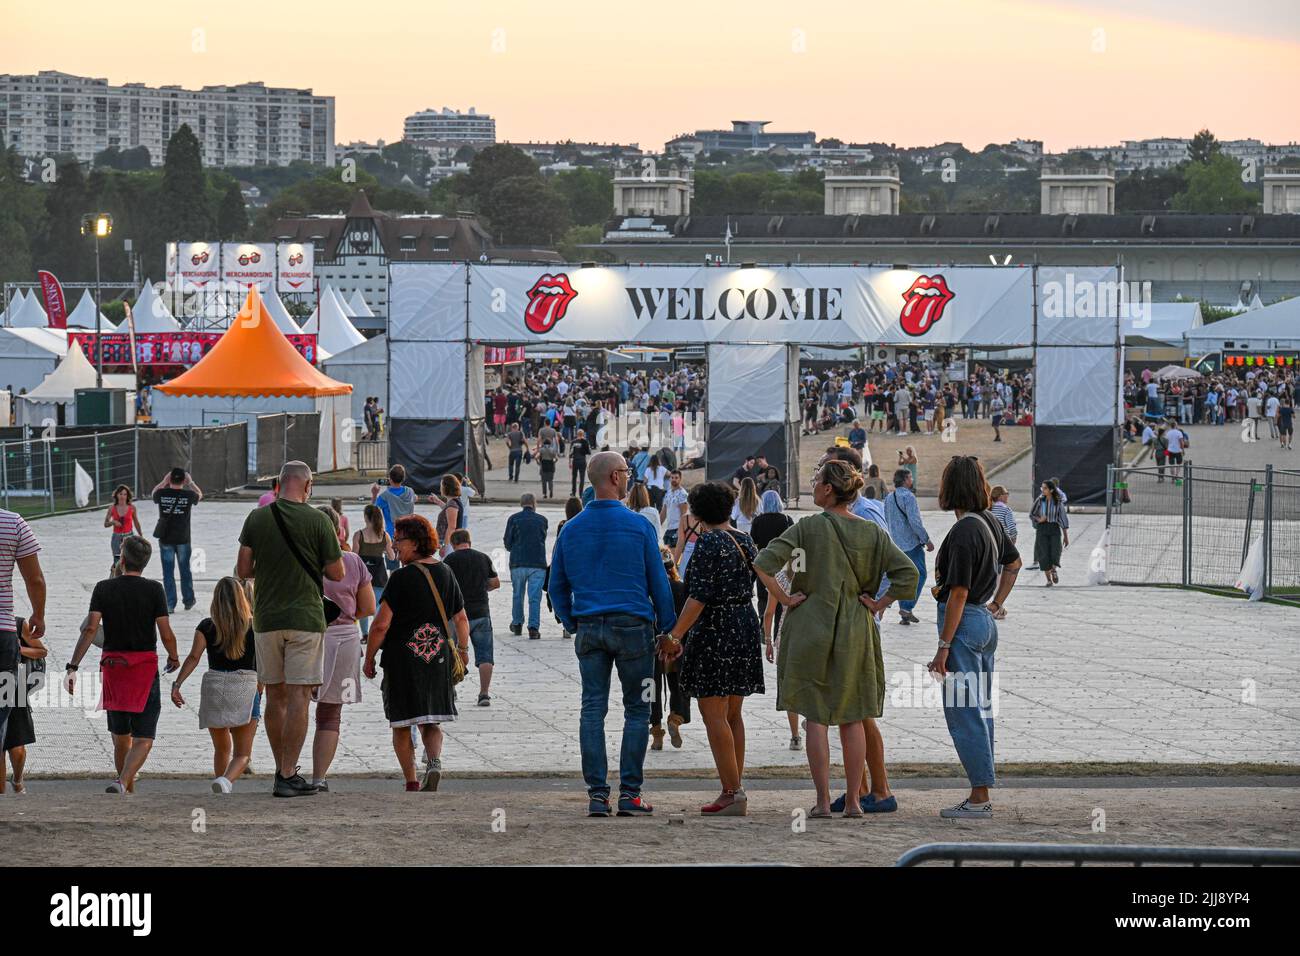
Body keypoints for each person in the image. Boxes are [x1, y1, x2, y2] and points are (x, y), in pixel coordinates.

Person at [753, 459, 919, 817]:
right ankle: (856, 802)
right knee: (854, 715)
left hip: (811, 625)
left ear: (828, 489)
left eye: (816, 481)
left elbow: (764, 563)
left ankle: (822, 801)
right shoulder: (873, 533)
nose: (813, 485)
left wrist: (783, 599)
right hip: (856, 628)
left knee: (816, 716)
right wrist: (878, 603)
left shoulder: (808, 527)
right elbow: (909, 574)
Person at [549, 451, 677, 818]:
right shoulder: (639, 526)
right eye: (627, 471)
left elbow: (555, 585)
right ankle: (630, 794)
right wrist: (667, 630)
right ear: (616, 477)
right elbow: (659, 584)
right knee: (638, 707)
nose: (630, 477)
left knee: (592, 708)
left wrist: (572, 622)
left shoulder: (571, 528)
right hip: (634, 628)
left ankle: (597, 794)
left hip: (590, 628)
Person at [236, 461, 345, 798]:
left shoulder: (257, 518)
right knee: (300, 697)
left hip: (267, 619)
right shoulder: (319, 520)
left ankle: (280, 771)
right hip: (306, 620)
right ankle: (287, 773)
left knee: (275, 696)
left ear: (279, 484)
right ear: (308, 485)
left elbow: (243, 569)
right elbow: (337, 573)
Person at [659, 482, 763, 816]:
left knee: (712, 713)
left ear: (698, 512)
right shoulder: (744, 540)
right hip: (744, 624)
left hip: (716, 628)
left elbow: (697, 597)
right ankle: (736, 785)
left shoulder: (707, 542)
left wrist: (674, 636)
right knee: (734, 713)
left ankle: (732, 792)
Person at [930, 455, 1022, 819]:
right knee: (981, 709)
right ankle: (981, 789)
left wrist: (942, 647)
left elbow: (958, 593)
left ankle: (980, 796)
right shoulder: (989, 522)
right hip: (984, 622)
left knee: (964, 711)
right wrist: (997, 601)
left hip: (964, 624)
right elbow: (1013, 564)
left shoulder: (965, 530)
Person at [363, 514, 470, 792]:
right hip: (437, 658)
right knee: (430, 718)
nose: (395, 546)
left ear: (415, 542)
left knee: (401, 722)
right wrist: (463, 650)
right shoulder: (446, 572)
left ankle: (411, 780)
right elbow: (461, 619)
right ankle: (433, 762)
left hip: (402, 661)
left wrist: (369, 657)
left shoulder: (400, 578)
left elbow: (380, 625)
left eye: (399, 540)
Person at [65, 536, 180, 794]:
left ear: (122, 558)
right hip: (143, 669)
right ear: (146, 563)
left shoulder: (103, 588)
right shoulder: (154, 590)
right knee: (144, 737)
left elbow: (90, 628)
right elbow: (166, 632)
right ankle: (123, 782)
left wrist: (73, 666)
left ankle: (125, 786)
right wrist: (174, 656)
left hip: (114, 668)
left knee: (120, 737)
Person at [170, 577, 260, 793]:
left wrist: (177, 684)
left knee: (221, 749)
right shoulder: (255, 626)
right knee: (242, 754)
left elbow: (193, 657)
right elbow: (266, 662)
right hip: (246, 686)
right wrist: (264, 687)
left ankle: (220, 783)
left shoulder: (206, 626)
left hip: (215, 687)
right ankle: (226, 782)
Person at [311, 505, 375, 791]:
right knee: (330, 714)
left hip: (305, 636)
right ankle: (319, 777)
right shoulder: (352, 561)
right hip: (345, 637)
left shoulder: (300, 560)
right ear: (338, 529)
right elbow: (369, 608)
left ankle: (285, 771)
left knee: (293, 707)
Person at [443, 528, 500, 706]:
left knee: (452, 653)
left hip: (456, 616)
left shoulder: (449, 561)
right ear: (469, 541)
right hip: (481, 613)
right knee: (485, 655)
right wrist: (483, 588)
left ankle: (451, 690)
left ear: (453, 544)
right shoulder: (483, 557)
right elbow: (495, 583)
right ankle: (484, 694)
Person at [650, 547, 691, 750]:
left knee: (651, 689)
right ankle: (675, 718)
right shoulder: (681, 588)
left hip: (653, 647)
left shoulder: (647, 590)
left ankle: (656, 733)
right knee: (679, 686)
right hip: (677, 647)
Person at [0, 615, 45, 794]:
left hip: (15, 689)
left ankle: (17, 779)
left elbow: (41, 651)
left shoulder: (18, 624)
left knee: (17, 747)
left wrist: (17, 650)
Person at [884, 467, 933, 626]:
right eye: (910, 477)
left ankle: (905, 609)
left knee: (904, 575)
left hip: (896, 543)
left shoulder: (889, 497)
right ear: (905, 480)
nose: (912, 480)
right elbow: (915, 521)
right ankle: (906, 607)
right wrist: (926, 539)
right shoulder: (909, 497)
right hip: (911, 544)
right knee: (920, 574)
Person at [151, 467, 202, 613]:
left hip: (166, 539)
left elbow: (153, 494)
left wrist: (163, 482)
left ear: (170, 479)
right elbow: (200, 494)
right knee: (185, 570)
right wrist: (191, 483)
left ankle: (170, 604)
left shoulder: (161, 493)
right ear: (184, 480)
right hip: (183, 539)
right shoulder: (188, 494)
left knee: (168, 572)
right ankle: (188, 600)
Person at [504, 493, 548, 639]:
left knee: (518, 595)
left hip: (518, 562)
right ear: (534, 504)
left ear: (521, 503)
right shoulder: (542, 520)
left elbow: (507, 543)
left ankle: (517, 624)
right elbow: (542, 538)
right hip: (537, 563)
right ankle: (533, 628)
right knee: (534, 597)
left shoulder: (513, 519)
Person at [352, 504, 394, 638]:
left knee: (363, 606)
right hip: (379, 574)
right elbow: (392, 557)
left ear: (365, 517)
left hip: (363, 574)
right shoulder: (384, 535)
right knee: (377, 606)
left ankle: (364, 634)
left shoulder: (359, 535)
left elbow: (354, 556)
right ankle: (376, 633)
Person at [1030, 479, 1069, 586]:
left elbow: (1063, 518)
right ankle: (1048, 580)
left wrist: (1066, 536)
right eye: (1042, 488)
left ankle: (1053, 570)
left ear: (1051, 490)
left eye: (1045, 488)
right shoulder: (1039, 500)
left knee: (1056, 552)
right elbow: (1032, 514)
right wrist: (1039, 520)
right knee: (1043, 554)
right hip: (1042, 528)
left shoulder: (1058, 501)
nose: (1043, 490)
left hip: (1054, 528)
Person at [104, 485, 141, 571]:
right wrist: (113, 522)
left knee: (129, 559)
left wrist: (140, 535)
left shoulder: (132, 508)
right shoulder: (112, 508)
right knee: (117, 560)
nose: (122, 496)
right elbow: (105, 524)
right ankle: (115, 577)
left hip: (129, 536)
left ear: (127, 496)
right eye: (120, 494)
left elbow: (136, 522)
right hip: (117, 537)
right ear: (116, 495)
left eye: (125, 494)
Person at [433, 475, 463, 559]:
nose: (440, 488)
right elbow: (447, 510)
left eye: (441, 485)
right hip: (451, 542)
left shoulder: (452, 504)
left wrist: (444, 546)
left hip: (450, 543)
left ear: (446, 488)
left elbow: (451, 527)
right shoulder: (453, 501)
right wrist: (438, 501)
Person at [660, 468, 689, 548]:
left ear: (680, 479)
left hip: (677, 529)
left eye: (676, 478)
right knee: (669, 555)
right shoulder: (668, 493)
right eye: (672, 477)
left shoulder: (682, 494)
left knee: (674, 555)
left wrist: (681, 531)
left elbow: (684, 513)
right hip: (669, 528)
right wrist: (658, 525)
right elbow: (664, 511)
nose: (674, 480)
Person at [536, 418, 561, 499]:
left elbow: (539, 439)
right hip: (551, 450)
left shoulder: (541, 430)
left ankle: (544, 493)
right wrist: (557, 450)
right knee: (550, 479)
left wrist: (537, 448)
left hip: (543, 449)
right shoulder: (553, 430)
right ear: (550, 423)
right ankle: (551, 491)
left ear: (544, 423)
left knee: (543, 473)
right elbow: (556, 440)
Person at [569, 428, 592, 496]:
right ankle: (581, 493)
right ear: (583, 434)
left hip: (575, 461)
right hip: (582, 461)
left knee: (574, 477)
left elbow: (570, 453)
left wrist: (570, 462)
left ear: (577, 434)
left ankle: (573, 492)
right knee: (582, 478)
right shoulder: (585, 441)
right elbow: (589, 451)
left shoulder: (573, 442)